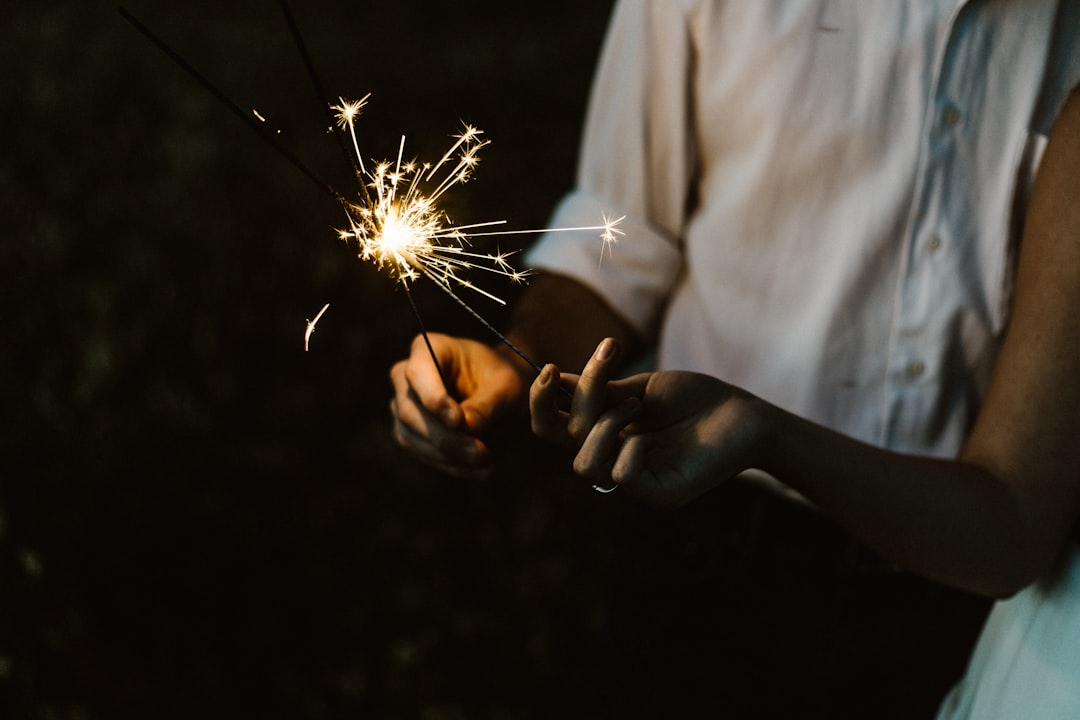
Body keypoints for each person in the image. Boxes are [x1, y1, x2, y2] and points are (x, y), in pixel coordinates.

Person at [390, 1, 1080, 717]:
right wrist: (517, 359)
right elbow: (622, 236)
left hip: (965, 597)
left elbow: (1016, 502)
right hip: (709, 540)